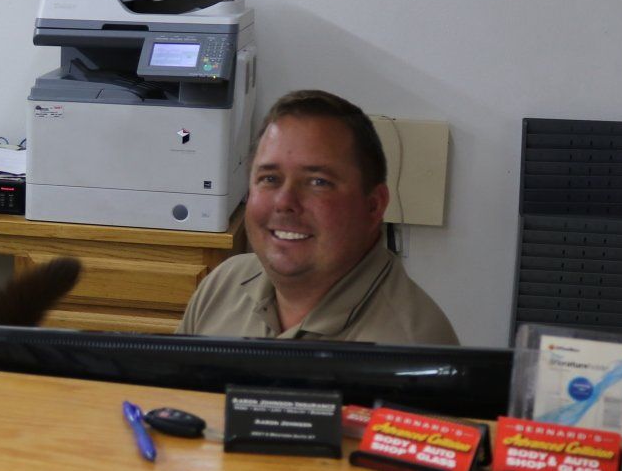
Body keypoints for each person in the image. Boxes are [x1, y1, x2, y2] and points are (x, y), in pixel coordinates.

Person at [179, 89, 457, 344]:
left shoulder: (409, 347)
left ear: (373, 206)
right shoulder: (223, 286)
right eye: (270, 178)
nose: (284, 202)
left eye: (318, 182)